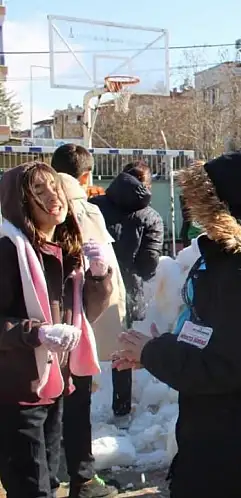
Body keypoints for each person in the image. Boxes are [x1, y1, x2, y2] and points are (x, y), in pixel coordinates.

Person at [113, 146, 241, 498]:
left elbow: (221, 367)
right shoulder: (239, 259)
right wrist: (170, 346)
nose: (196, 211)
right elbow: (217, 338)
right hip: (232, 438)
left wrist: (154, 352)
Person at [0, 162, 113, 498]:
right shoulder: (8, 252)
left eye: (55, 187)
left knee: (48, 483)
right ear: (20, 202)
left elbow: (84, 315)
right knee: (31, 488)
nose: (54, 197)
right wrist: (35, 333)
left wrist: (98, 276)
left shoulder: (64, 249)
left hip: (55, 384)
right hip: (17, 391)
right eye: (39, 190)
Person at [51, 144, 125, 498]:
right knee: (76, 403)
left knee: (46, 404)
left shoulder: (22, 208)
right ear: (86, 176)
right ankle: (81, 479)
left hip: (37, 327)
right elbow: (100, 277)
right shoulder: (81, 210)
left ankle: (47, 478)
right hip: (75, 322)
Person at [90, 162, 164, 428]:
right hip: (127, 293)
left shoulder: (93, 205)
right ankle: (121, 411)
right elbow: (148, 265)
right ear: (146, 185)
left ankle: (76, 407)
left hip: (90, 287)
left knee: (83, 344)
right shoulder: (151, 216)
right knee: (123, 349)